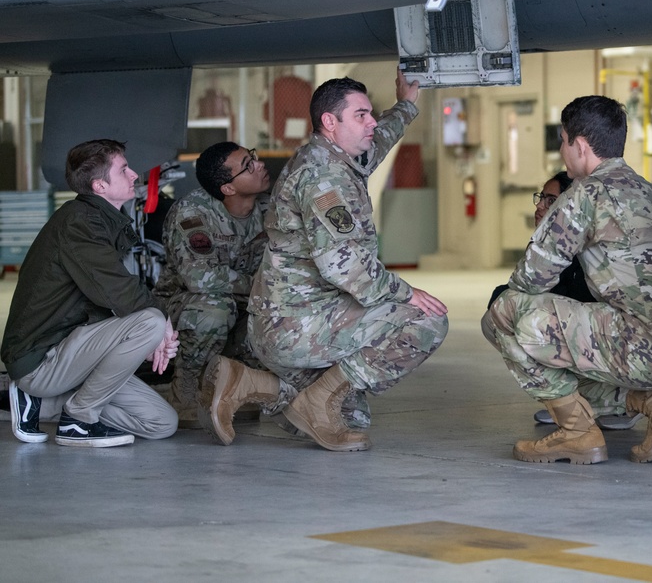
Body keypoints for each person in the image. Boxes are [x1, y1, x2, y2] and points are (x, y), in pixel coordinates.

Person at [201, 69, 448, 451]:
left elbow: (377, 141)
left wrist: (405, 106)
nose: (371, 123)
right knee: (426, 320)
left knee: (351, 416)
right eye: (361, 115)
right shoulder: (323, 177)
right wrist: (404, 292)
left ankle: (251, 383)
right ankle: (313, 399)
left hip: (293, 319)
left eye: (370, 114)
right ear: (330, 122)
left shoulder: (331, 154)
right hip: (295, 325)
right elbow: (344, 266)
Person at [483, 95, 652, 466]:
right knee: (558, 334)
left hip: (642, 349)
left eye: (563, 142)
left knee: (505, 312)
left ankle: (576, 432)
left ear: (579, 145)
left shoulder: (585, 195)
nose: (563, 152)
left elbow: (531, 280)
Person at [3, 139, 179, 447]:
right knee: (149, 321)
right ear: (99, 185)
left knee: (161, 423)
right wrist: (160, 328)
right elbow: (115, 290)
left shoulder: (101, 222)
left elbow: (105, 301)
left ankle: (43, 403)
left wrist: (146, 339)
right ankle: (78, 419)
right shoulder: (79, 222)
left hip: (74, 356)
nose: (135, 175)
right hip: (42, 357)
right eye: (124, 170)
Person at [485, 172, 639, 431]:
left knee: (521, 319)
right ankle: (569, 401)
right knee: (502, 314)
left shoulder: (587, 247)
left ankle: (613, 403)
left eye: (549, 199)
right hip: (595, 339)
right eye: (540, 198)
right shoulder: (546, 243)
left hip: (616, 341)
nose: (539, 206)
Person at [153, 141, 273, 424]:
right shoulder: (193, 213)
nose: (260, 165)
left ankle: (239, 388)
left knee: (276, 312)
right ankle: (186, 392)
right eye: (248, 165)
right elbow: (199, 278)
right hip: (183, 309)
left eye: (252, 157)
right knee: (215, 308)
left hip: (241, 302)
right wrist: (259, 286)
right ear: (228, 189)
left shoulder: (272, 209)